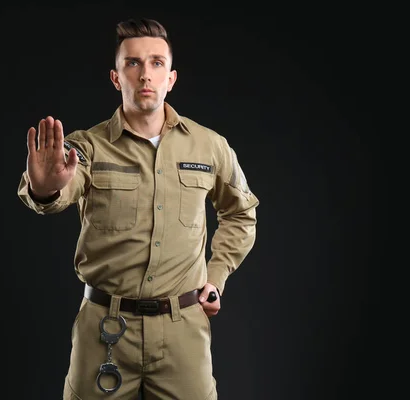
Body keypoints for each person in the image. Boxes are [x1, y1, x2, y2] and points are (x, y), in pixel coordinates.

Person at [17, 17, 259, 400]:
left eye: (156, 63)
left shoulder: (210, 146)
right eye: (132, 63)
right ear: (116, 77)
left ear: (171, 78)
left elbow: (241, 213)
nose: (145, 74)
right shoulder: (88, 147)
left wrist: (215, 275)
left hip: (183, 330)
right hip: (105, 328)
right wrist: (45, 188)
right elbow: (59, 191)